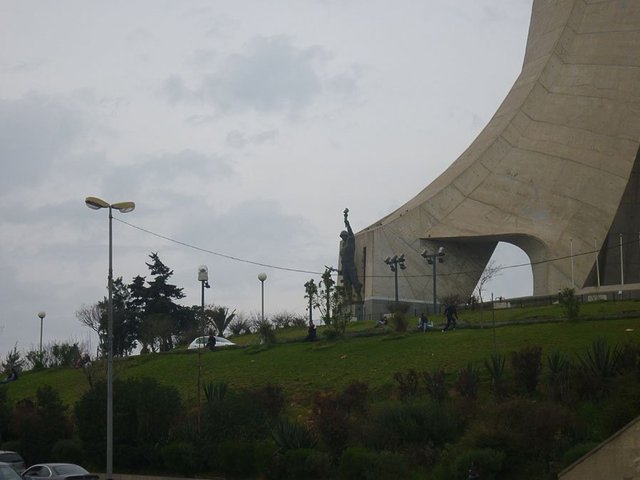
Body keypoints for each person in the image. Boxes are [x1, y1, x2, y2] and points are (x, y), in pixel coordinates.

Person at [339, 208, 363, 303]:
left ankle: (359, 296)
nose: (343, 238)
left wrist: (346, 220)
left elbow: (350, 231)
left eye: (344, 236)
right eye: (342, 236)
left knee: (355, 281)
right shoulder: (343, 245)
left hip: (351, 266)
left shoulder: (351, 241)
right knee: (347, 283)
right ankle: (349, 299)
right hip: (344, 266)